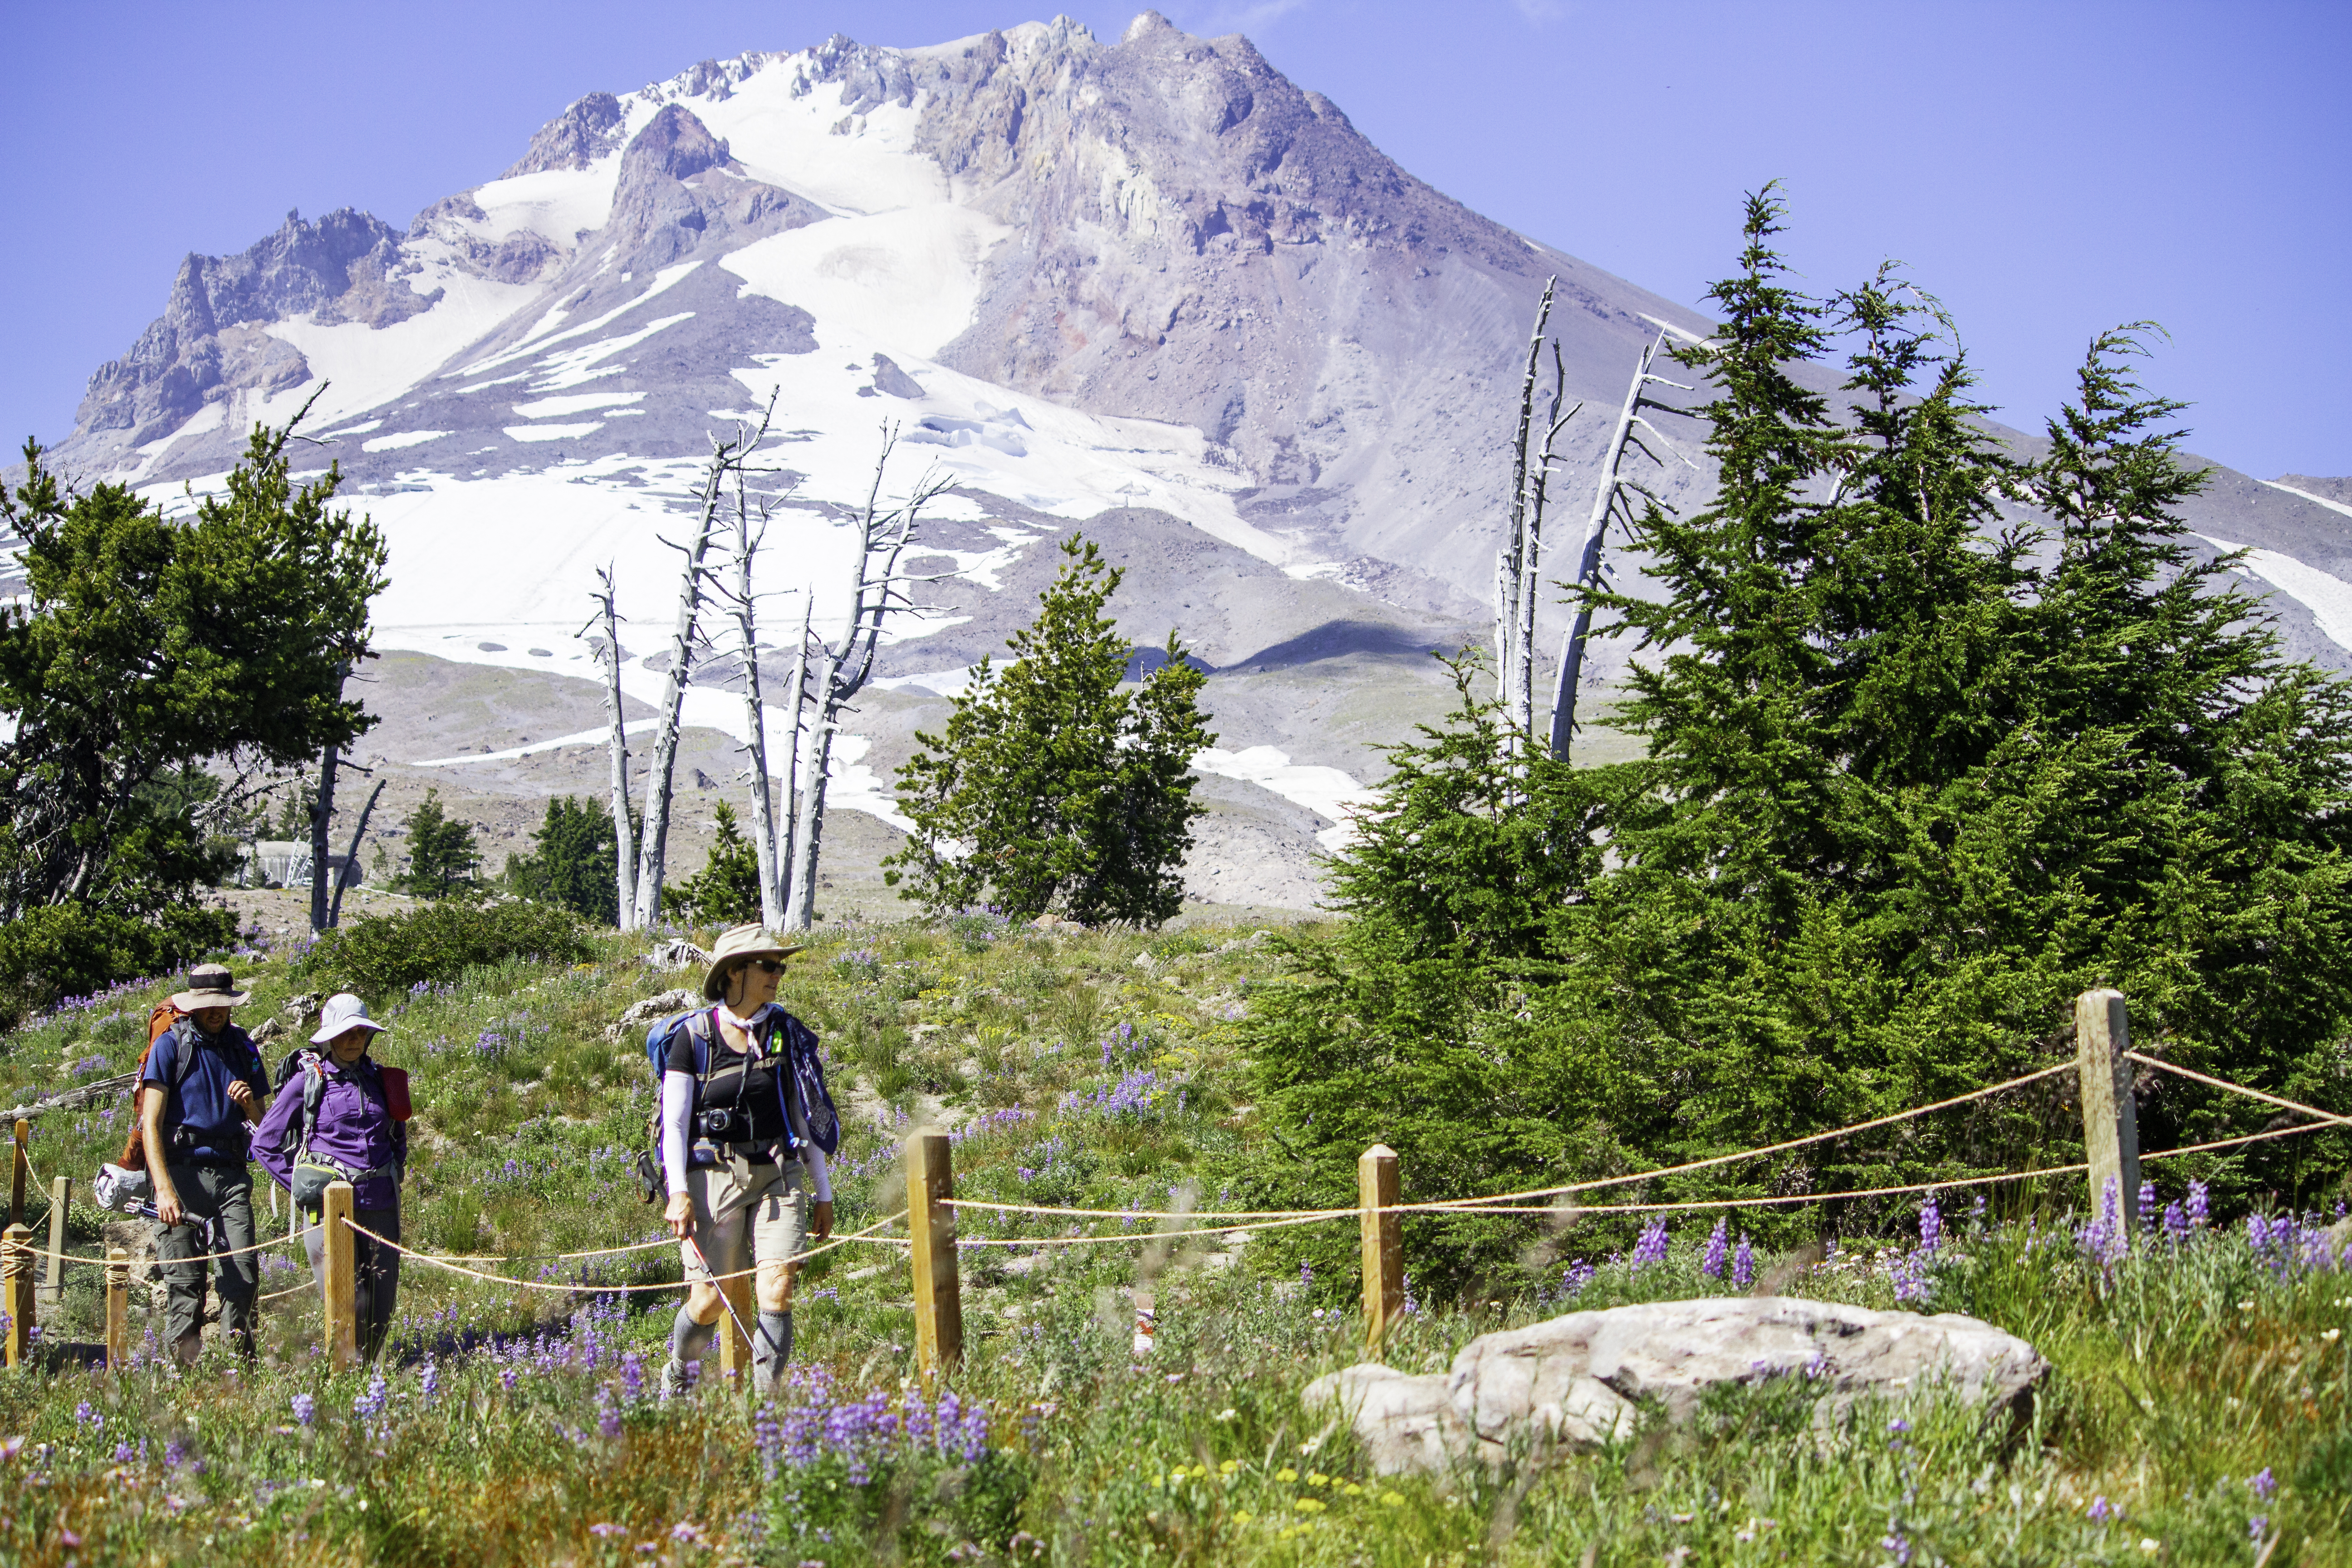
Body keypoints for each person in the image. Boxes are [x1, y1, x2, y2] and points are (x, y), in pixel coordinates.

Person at [659, 924, 842, 1396]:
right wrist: (678, 1193)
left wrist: (824, 1193)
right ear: (734, 973)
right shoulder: (693, 1038)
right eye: (769, 965)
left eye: (780, 966)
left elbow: (805, 1114)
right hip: (711, 1178)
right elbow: (675, 1126)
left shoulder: (785, 1033)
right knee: (708, 1302)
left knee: (777, 1289)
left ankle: (761, 1408)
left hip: (781, 1173)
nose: (778, 974)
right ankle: (679, 1374)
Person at [254, 993, 408, 1362]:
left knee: (382, 1302)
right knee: (343, 1301)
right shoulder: (310, 1082)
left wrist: (394, 1170)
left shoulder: (383, 1080)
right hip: (329, 1213)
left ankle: (370, 1380)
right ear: (329, 1038)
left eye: (360, 1033)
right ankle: (344, 1378)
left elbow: (397, 1133)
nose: (354, 1040)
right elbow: (265, 1143)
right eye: (346, 1033)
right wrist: (305, 1188)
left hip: (381, 1204)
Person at [141, 963, 271, 1363]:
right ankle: (181, 1378)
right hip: (181, 1176)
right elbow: (151, 1124)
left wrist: (249, 1105)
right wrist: (163, 1190)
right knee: (185, 1283)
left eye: (223, 1005)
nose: (216, 1012)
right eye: (208, 1005)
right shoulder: (170, 1046)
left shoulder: (244, 1048)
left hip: (232, 1177)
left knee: (242, 1276)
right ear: (193, 1006)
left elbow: (265, 1124)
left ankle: (240, 1373)